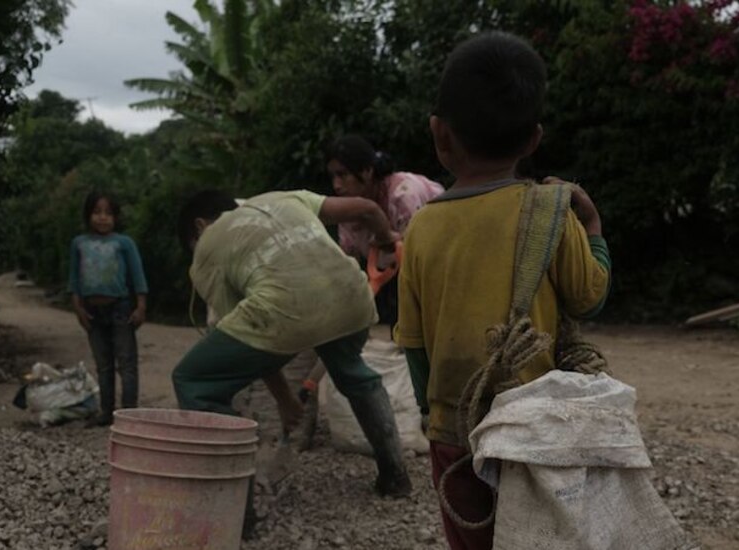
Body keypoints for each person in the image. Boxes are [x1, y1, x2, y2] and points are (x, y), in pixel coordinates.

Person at [395, 32, 612, 549]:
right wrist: (596, 230)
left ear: (439, 136)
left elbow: (414, 343)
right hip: (538, 430)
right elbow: (590, 298)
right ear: (534, 139)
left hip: (458, 434)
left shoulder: (421, 227)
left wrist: (436, 416)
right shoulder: (552, 212)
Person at [172, 188, 413, 499]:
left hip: (283, 312)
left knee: (192, 380)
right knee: (352, 372)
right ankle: (395, 476)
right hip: (352, 298)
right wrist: (383, 237)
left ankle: (233, 501)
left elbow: (249, 337)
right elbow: (367, 208)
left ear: (199, 226)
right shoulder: (285, 197)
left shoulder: (207, 246)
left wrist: (285, 400)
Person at [326, 135, 444, 325]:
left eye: (343, 175)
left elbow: (421, 254)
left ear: (367, 171)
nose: (336, 185)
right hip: (392, 278)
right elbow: (347, 267)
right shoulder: (350, 211)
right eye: (333, 176)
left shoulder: (403, 195)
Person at [68, 191, 148, 427]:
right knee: (103, 364)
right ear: (88, 215)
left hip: (121, 308)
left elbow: (138, 276)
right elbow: (74, 279)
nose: (102, 218)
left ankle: (130, 413)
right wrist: (78, 308)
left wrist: (141, 305)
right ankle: (107, 412)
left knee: (126, 363)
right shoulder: (79, 243)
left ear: (115, 217)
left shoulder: (124, 243)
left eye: (108, 213)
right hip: (92, 312)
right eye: (97, 212)